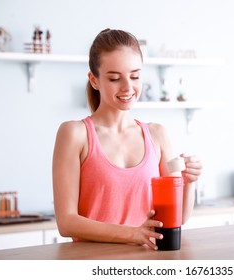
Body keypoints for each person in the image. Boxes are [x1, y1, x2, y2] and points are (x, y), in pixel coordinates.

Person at [52, 28, 202, 250]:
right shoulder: (74, 134)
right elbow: (66, 222)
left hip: (145, 262)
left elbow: (176, 219)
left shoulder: (157, 135)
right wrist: (132, 234)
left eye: (135, 76)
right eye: (114, 78)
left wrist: (188, 182)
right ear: (94, 80)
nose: (127, 87)